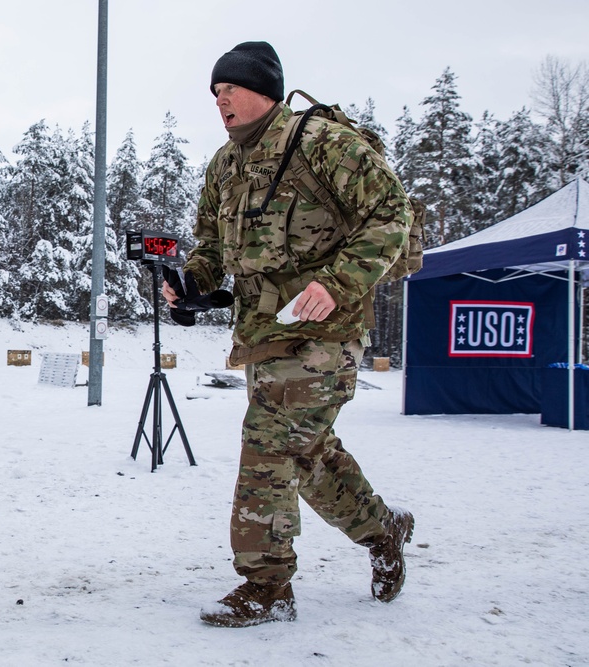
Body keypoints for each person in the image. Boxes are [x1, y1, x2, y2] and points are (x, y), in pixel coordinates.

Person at [162, 41, 415, 628]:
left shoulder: (321, 142)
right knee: (308, 454)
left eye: (231, 89)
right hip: (262, 335)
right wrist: (190, 286)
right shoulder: (225, 166)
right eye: (215, 94)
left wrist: (338, 281)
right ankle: (383, 528)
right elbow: (209, 251)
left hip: (326, 332)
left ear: (265, 90)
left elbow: (391, 213)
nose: (221, 102)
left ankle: (267, 587)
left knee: (269, 447)